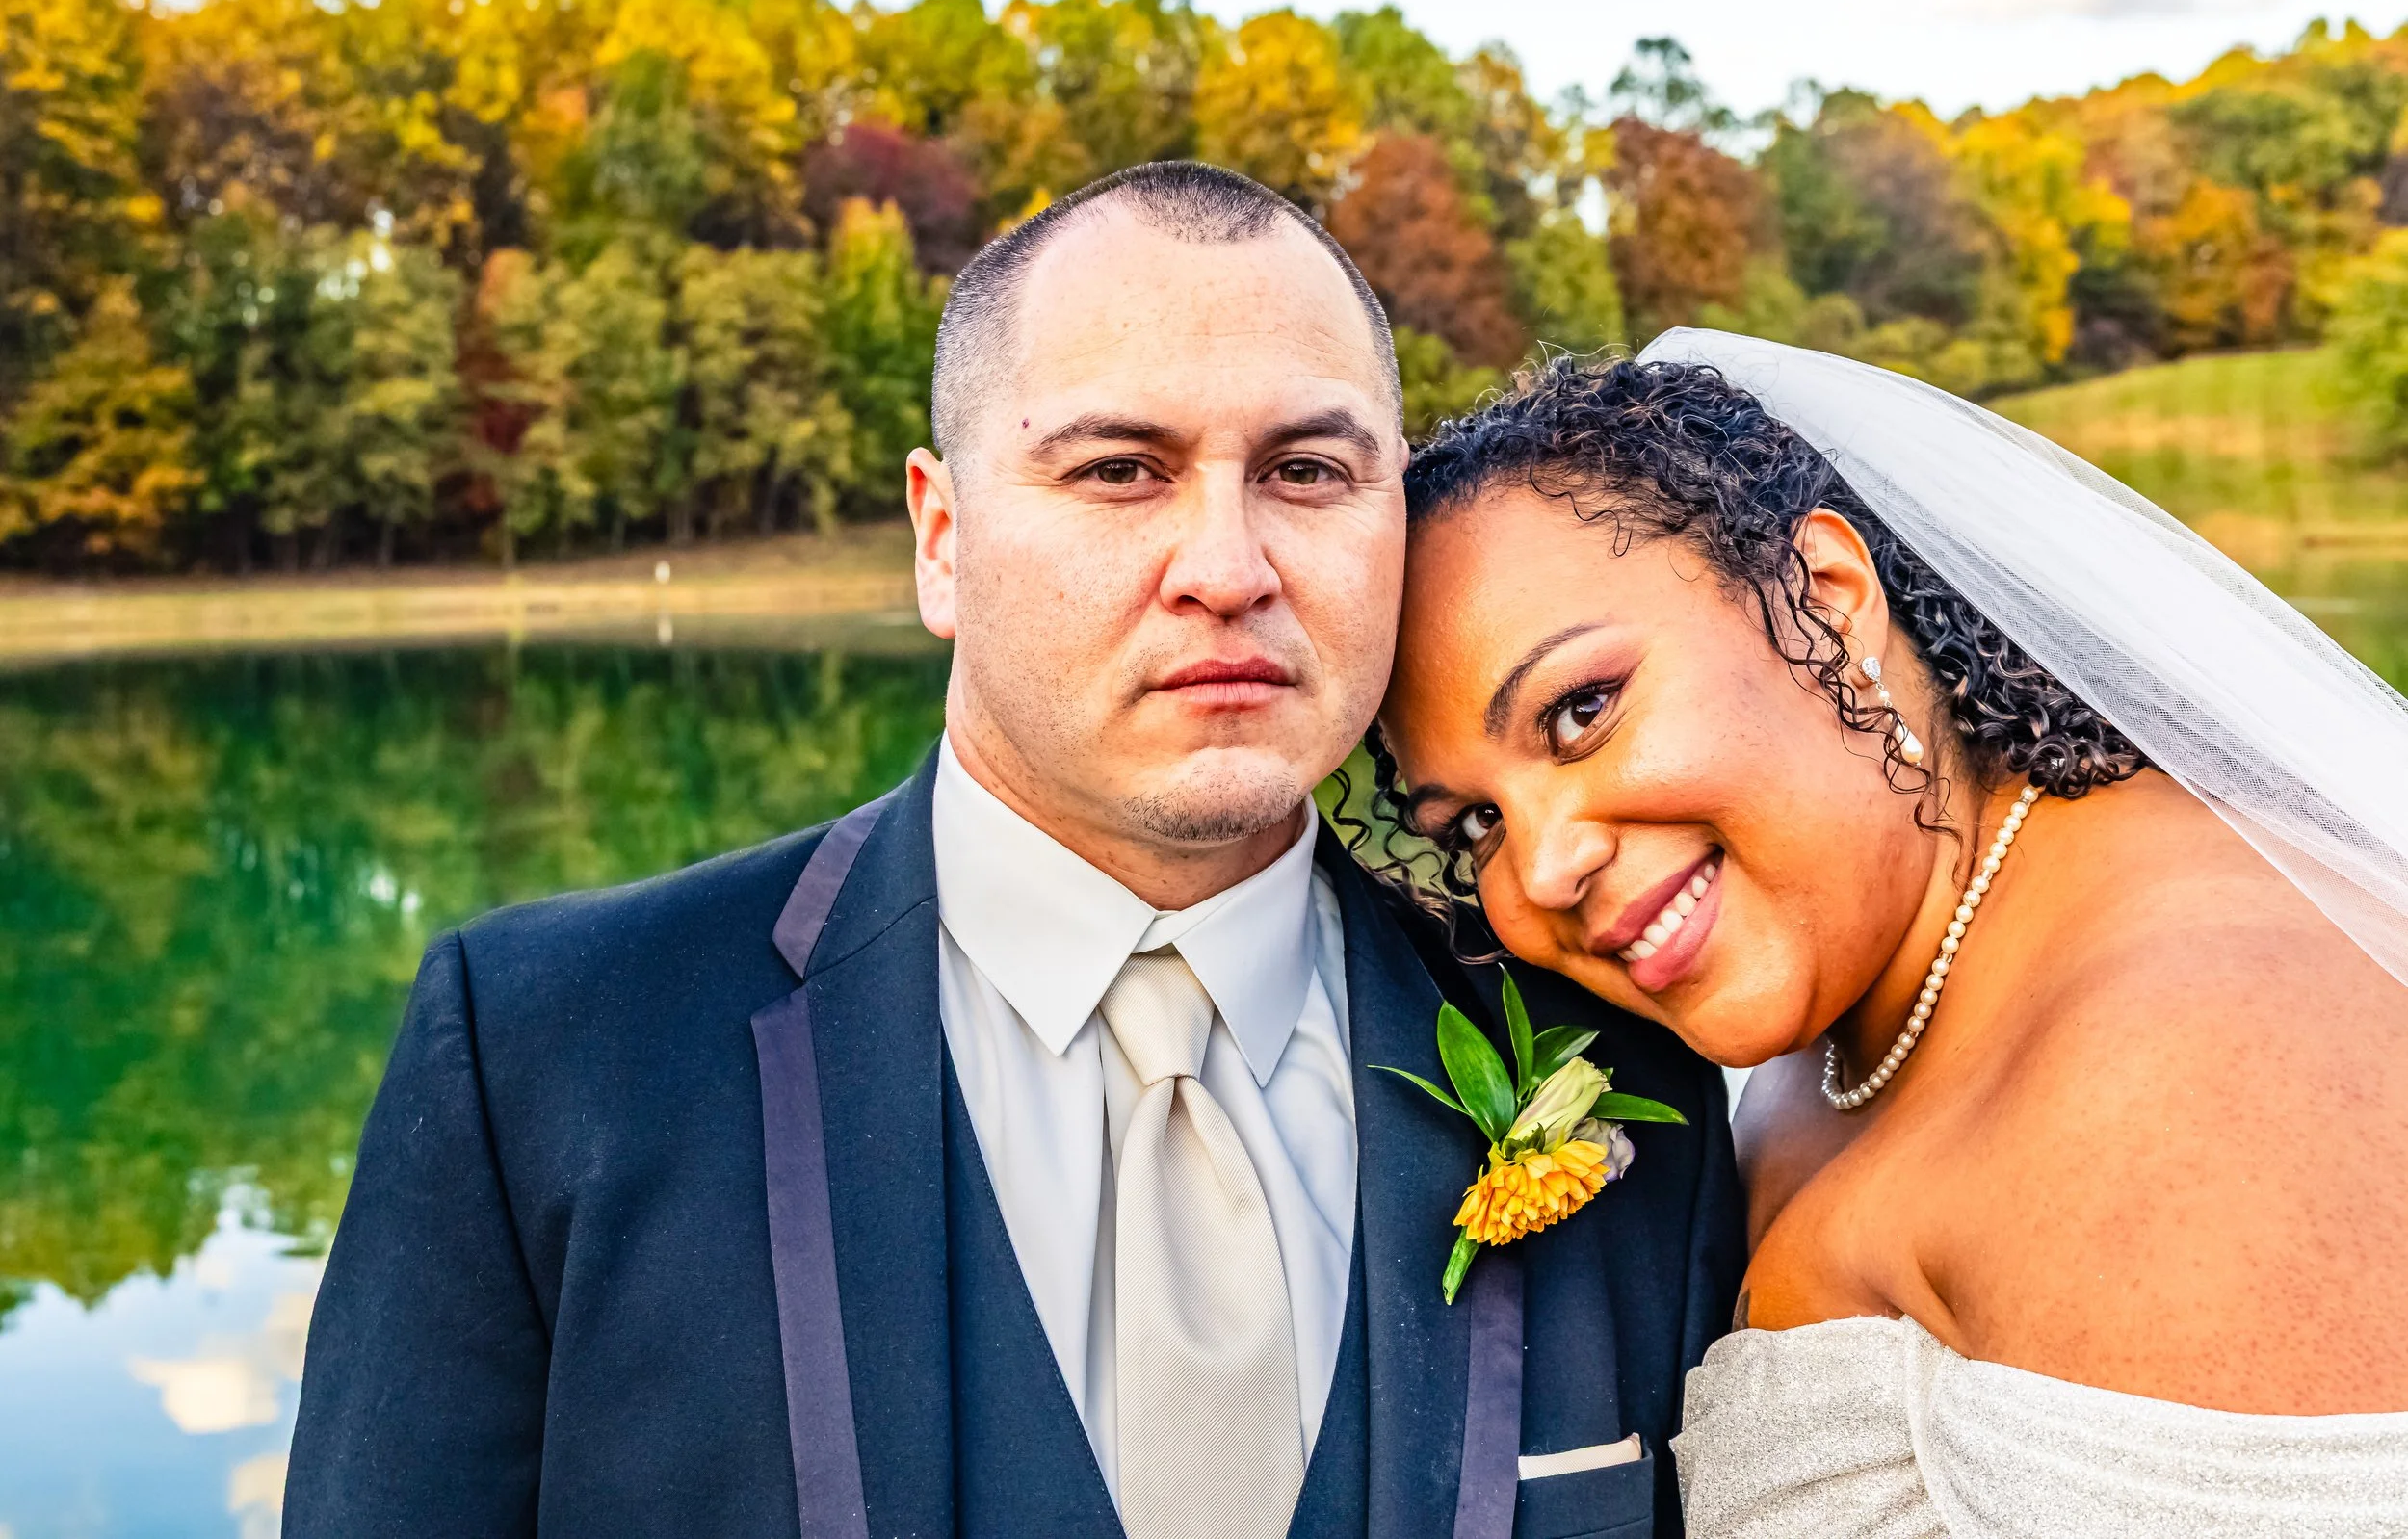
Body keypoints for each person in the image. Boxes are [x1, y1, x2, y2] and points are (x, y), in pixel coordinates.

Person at [285, 163, 1744, 1539]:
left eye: (1306, 469)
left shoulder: (1623, 1068)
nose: (1229, 567)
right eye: (1121, 468)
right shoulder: (541, 1055)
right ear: (940, 536)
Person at [1372, 330, 2408, 1537]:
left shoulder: (2203, 1055)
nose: (1543, 867)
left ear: (1828, 597)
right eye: (1476, 822)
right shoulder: (1842, 1018)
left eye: (1581, 709)